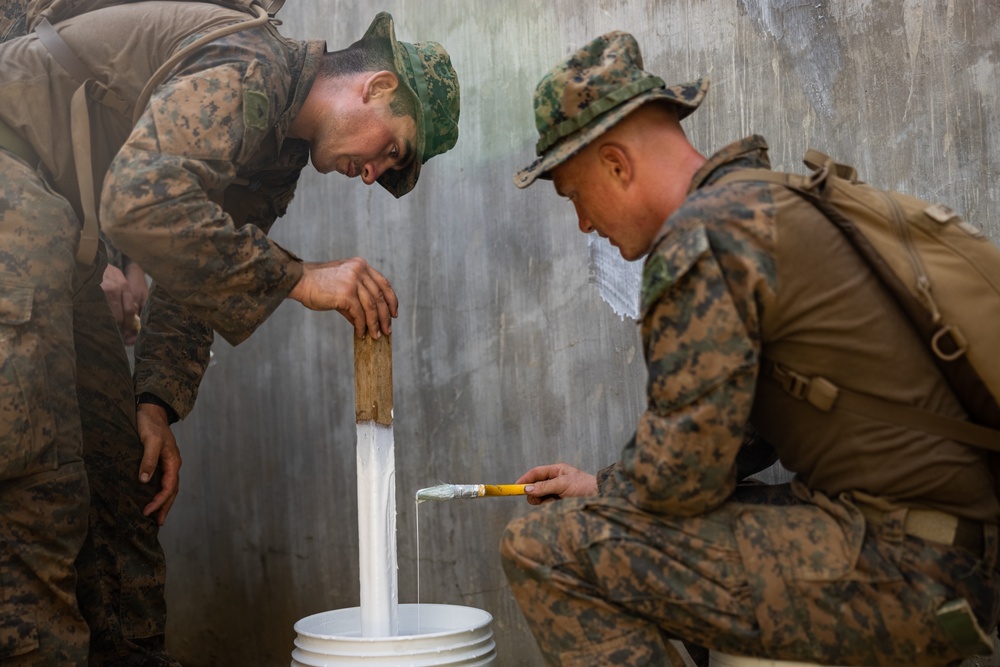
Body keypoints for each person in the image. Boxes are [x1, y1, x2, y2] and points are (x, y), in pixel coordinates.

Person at [500, 30, 998, 667]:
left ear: (618, 165)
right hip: (949, 554)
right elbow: (740, 439)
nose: (584, 224)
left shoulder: (703, 239)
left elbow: (680, 482)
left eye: (575, 196)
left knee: (545, 549)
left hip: (908, 574)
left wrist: (615, 498)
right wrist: (601, 485)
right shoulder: (770, 202)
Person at [0, 3, 459, 664]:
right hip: (16, 179)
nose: (370, 173)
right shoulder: (258, 66)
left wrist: (155, 401)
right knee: (40, 492)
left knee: (121, 483)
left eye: (385, 174)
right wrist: (299, 278)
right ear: (377, 87)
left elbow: (194, 270)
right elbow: (138, 201)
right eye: (389, 149)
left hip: (56, 226)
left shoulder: (277, 155)